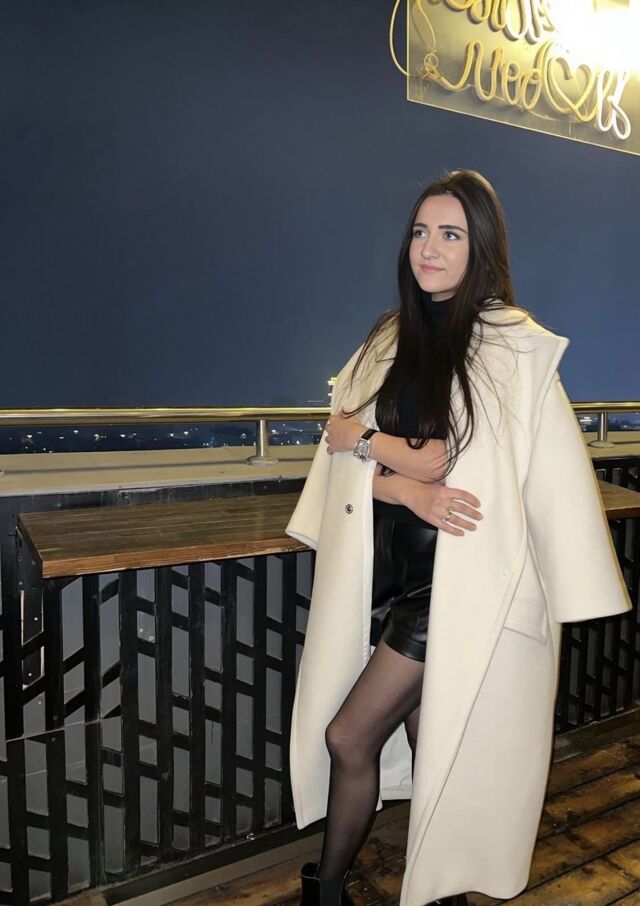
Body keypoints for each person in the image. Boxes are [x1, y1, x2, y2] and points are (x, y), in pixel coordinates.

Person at [285, 169, 631, 906]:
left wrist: (369, 446)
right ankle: (436, 890)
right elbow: (346, 454)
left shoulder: (507, 346)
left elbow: (447, 458)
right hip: (389, 574)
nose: (429, 249)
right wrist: (401, 482)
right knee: (433, 740)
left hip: (455, 584)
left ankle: (327, 888)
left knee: (349, 737)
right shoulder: (390, 338)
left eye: (450, 234)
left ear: (482, 248)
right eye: (420, 232)